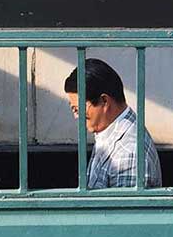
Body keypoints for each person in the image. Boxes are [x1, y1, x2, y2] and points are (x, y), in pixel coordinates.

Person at [63, 58, 162, 189]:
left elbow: (124, 209)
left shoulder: (128, 155)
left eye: (78, 109)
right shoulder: (111, 129)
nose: (76, 116)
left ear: (104, 101)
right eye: (73, 108)